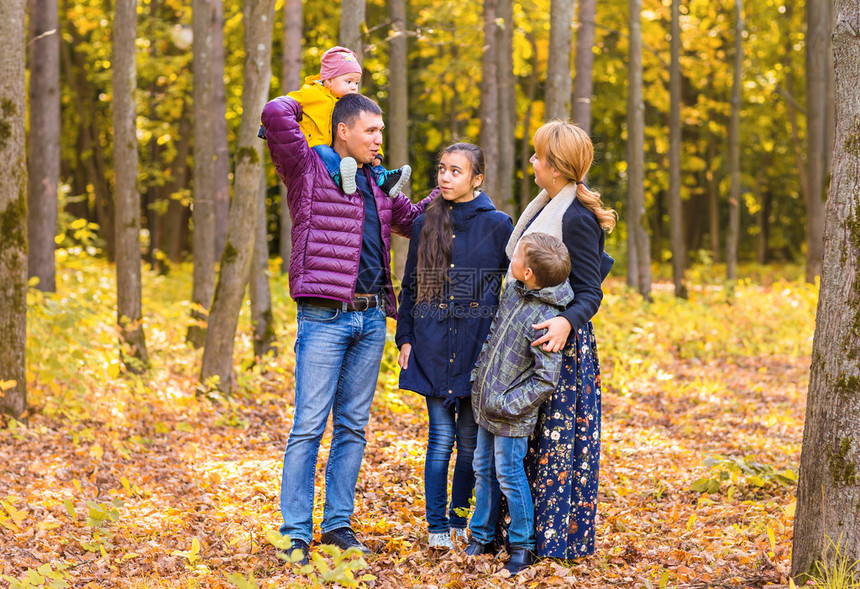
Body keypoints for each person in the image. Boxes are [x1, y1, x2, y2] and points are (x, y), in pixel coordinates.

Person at [259, 91, 434, 565]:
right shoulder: (309, 169)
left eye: (381, 131)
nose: (380, 139)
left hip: (371, 317)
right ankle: (295, 531)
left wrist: (446, 186)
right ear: (343, 130)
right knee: (308, 427)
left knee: (353, 428)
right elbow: (276, 114)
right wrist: (328, 90)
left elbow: (415, 221)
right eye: (372, 131)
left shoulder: (378, 184)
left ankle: (337, 526)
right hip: (323, 317)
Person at [506, 121, 616, 560]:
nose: (532, 161)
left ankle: (554, 538)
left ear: (555, 166)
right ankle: (520, 535)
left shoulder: (577, 218)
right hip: (531, 337)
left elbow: (591, 290)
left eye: (537, 156)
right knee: (525, 442)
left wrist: (567, 323)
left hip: (561, 347)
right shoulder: (542, 207)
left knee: (554, 444)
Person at [395, 143, 513, 551]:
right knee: (439, 440)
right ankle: (436, 525)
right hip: (430, 343)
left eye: (456, 171)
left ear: (477, 178)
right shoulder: (425, 222)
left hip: (477, 346)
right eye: (442, 169)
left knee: (469, 444)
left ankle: (462, 519)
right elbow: (411, 286)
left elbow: (514, 287)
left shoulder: (499, 225)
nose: (445, 177)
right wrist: (405, 337)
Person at [465, 232, 574, 575]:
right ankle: (482, 535)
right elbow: (495, 334)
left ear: (527, 272)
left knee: (509, 475)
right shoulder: (513, 292)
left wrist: (508, 404)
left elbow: (545, 379)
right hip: (486, 402)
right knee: (482, 469)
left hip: (512, 415)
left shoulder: (546, 318)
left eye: (517, 257)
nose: (511, 258)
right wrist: (479, 379)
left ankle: (523, 544)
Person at [260, 45, 411, 197]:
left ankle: (384, 179)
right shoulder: (311, 93)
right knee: (326, 153)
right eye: (349, 81)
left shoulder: (349, 104)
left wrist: (378, 155)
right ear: (330, 80)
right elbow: (283, 105)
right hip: (316, 144)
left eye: (356, 83)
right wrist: (265, 127)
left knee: (363, 154)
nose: (353, 87)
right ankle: (340, 177)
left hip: (338, 146)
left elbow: (368, 132)